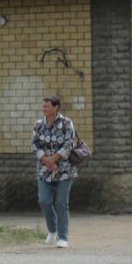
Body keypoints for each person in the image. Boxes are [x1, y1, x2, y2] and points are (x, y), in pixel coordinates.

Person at [31, 95, 77, 248]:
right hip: (44, 170)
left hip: (64, 169)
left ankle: (63, 237)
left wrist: (55, 159)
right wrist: (47, 161)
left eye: (47, 106)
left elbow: (69, 144)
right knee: (44, 200)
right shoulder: (38, 124)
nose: (44, 108)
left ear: (55, 107)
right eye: (43, 106)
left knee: (61, 203)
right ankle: (52, 230)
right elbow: (35, 145)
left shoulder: (66, 123)